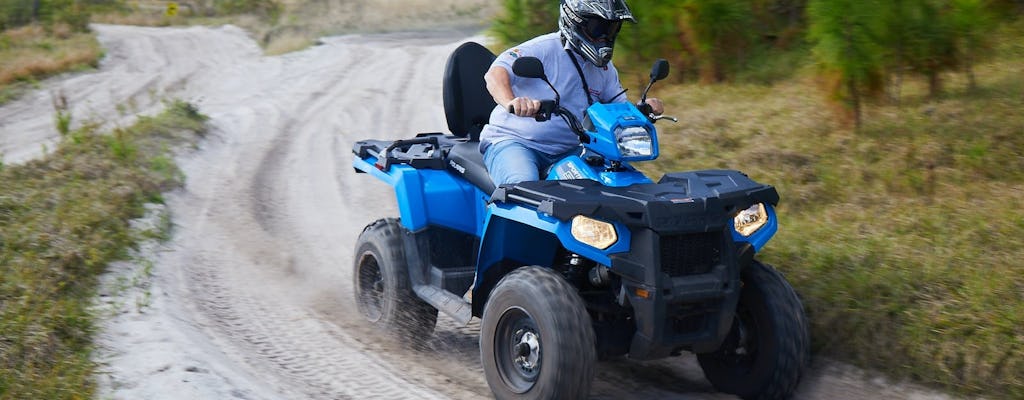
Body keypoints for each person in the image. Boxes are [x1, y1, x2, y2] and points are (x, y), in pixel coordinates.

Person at [479, 0, 664, 186]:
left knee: (623, 181)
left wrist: (640, 110)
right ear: (575, 22)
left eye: (612, 29)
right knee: (523, 187)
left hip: (572, 148)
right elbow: (495, 74)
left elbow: (616, 109)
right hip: (517, 142)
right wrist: (511, 101)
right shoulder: (543, 49)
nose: (604, 37)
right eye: (598, 28)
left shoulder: (605, 69)